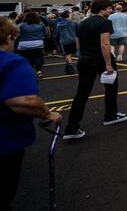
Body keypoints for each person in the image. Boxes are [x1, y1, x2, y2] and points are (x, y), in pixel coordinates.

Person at [0, 17, 62, 210]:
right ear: (9, 38)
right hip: (5, 139)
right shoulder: (11, 62)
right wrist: (47, 114)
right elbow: (23, 101)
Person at [63, 0, 127, 140]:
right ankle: (110, 116)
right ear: (102, 9)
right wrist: (108, 64)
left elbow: (78, 45)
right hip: (101, 59)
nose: (110, 10)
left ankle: (71, 127)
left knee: (81, 93)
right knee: (111, 88)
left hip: (85, 60)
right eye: (109, 8)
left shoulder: (82, 24)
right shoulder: (105, 22)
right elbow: (105, 44)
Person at [16, 12, 48, 80]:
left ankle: (30, 72)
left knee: (26, 59)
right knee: (37, 57)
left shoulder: (21, 25)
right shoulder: (41, 24)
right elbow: (46, 33)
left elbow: (17, 35)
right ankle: (39, 71)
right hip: (38, 43)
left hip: (24, 44)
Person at [55, 11, 78, 75]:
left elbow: (57, 34)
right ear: (68, 16)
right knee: (71, 54)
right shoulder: (74, 23)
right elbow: (78, 31)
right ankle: (68, 66)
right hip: (73, 40)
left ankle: (70, 66)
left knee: (67, 54)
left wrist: (56, 41)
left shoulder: (59, 24)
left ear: (62, 17)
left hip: (64, 41)